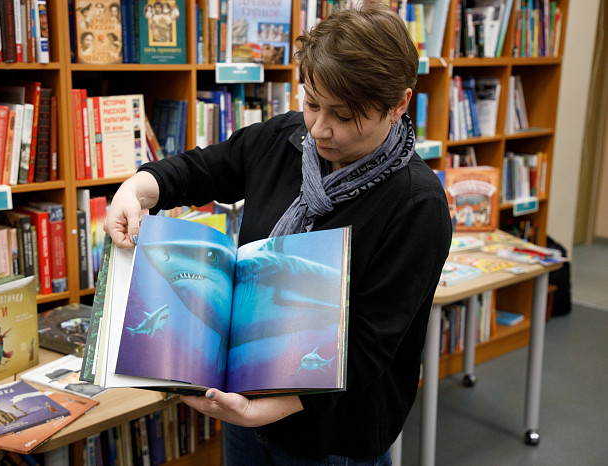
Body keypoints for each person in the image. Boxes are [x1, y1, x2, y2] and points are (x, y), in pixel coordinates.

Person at [103, 4, 451, 465]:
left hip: (334, 436)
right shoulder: (285, 138)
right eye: (312, 103)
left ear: (399, 105)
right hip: (245, 407)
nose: (320, 129)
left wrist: (267, 409)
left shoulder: (417, 205)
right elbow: (203, 169)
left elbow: (368, 347)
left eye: (344, 115)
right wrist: (136, 189)